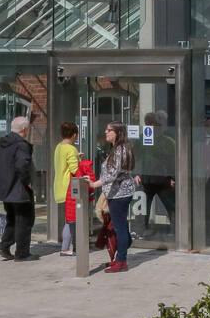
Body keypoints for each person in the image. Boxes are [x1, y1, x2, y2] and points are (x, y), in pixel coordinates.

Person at [0, 116, 37, 261]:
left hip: (5, 188)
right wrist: (27, 182)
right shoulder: (21, 145)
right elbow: (22, 165)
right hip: (19, 188)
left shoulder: (3, 143)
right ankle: (22, 253)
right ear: (24, 129)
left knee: (12, 218)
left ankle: (4, 246)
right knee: (25, 219)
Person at [92, 122, 136, 272]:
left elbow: (112, 174)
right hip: (118, 193)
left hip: (119, 194)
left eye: (109, 130)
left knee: (119, 227)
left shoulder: (120, 150)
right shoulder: (119, 149)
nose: (106, 132)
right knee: (120, 226)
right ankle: (120, 256)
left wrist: (94, 184)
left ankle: (122, 261)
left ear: (117, 132)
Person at [139, 111, 176, 237]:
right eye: (147, 123)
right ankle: (142, 230)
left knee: (171, 206)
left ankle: (176, 230)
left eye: (153, 124)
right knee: (143, 207)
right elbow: (136, 157)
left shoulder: (168, 141)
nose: (150, 126)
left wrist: (172, 178)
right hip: (146, 179)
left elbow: (172, 161)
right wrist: (136, 174)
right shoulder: (142, 138)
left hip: (163, 180)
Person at [61, 140, 96, 257]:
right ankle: (76, 248)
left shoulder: (59, 149)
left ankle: (66, 248)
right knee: (77, 224)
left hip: (69, 196)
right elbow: (90, 184)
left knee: (70, 223)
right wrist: (92, 195)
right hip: (77, 200)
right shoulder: (82, 170)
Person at [53, 122, 79, 252]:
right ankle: (67, 249)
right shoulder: (71, 149)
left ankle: (68, 248)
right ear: (74, 135)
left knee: (69, 220)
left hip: (59, 187)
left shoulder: (59, 147)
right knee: (71, 221)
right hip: (69, 189)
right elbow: (75, 170)